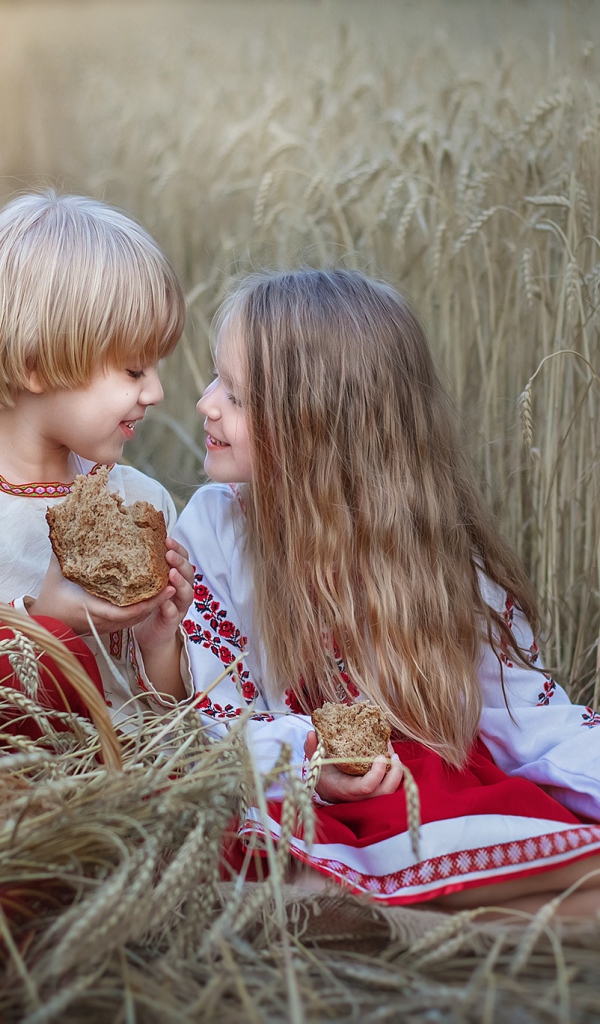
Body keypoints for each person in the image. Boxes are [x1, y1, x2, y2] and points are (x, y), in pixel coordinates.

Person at [174, 268, 600, 915]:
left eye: (236, 395)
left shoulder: (443, 557)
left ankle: (390, 905)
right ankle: (393, 903)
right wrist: (313, 755)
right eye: (217, 381)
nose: (207, 403)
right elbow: (217, 713)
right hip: (299, 790)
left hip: (420, 793)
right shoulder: (215, 525)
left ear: (318, 424)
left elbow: (530, 719)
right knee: (229, 849)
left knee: (442, 784)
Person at [0, 190, 194, 733]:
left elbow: (173, 724)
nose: (155, 392)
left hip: (138, 789)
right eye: (134, 371)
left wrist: (158, 643)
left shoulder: (141, 503)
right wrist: (48, 623)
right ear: (37, 366)